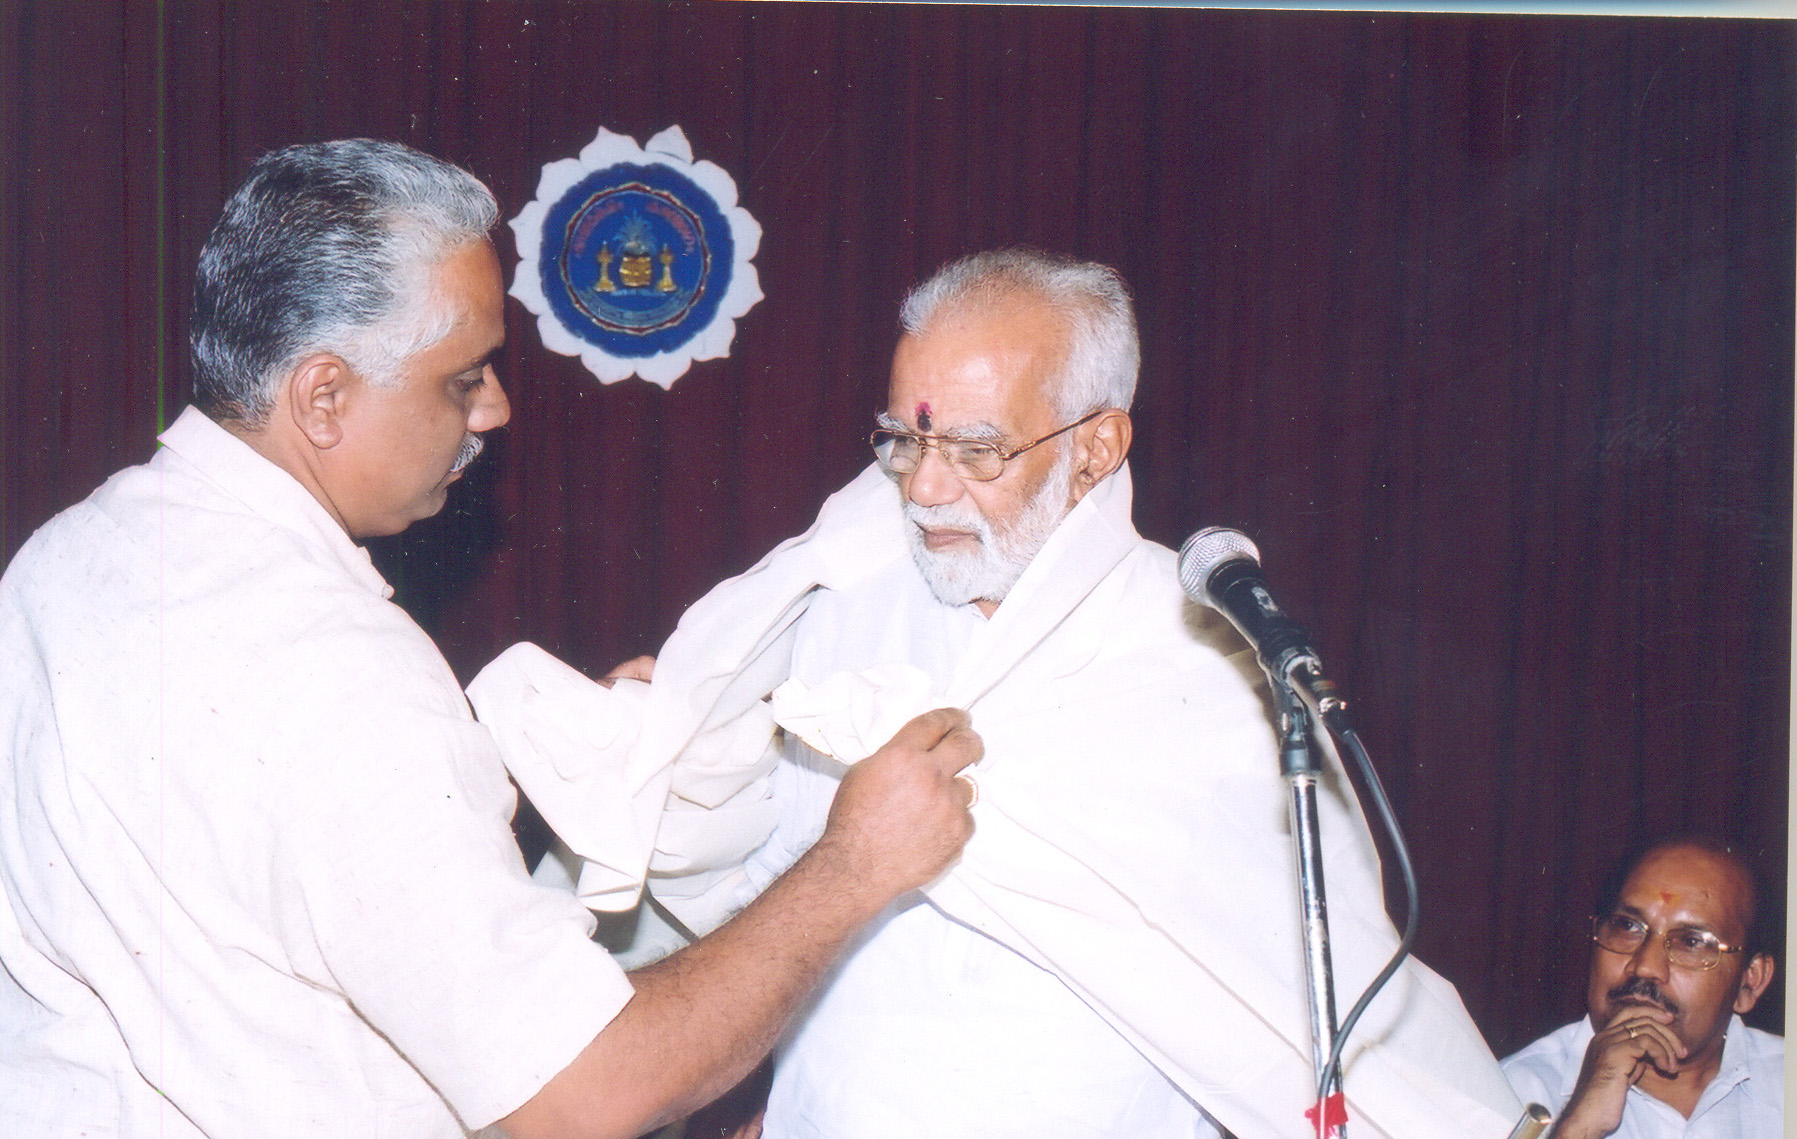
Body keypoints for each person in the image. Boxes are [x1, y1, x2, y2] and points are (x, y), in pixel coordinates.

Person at [0, 138, 981, 1139]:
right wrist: (851, 862)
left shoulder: (61, 559)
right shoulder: (340, 666)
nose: (495, 408)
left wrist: (486, 781)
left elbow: (245, 850)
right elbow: (583, 1097)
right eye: (462, 378)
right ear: (323, 397)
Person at [478, 249, 1522, 1138]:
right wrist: (683, 770)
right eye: (904, 438)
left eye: (976, 449)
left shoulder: (1206, 662)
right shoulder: (838, 606)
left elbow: (1310, 1007)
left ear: (1095, 448)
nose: (926, 488)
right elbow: (758, 884)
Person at [1501, 838, 1782, 1138]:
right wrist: (1576, 1128)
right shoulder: (1511, 1094)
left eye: (1691, 942)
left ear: (1749, 982)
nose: (1645, 966)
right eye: (1628, 926)